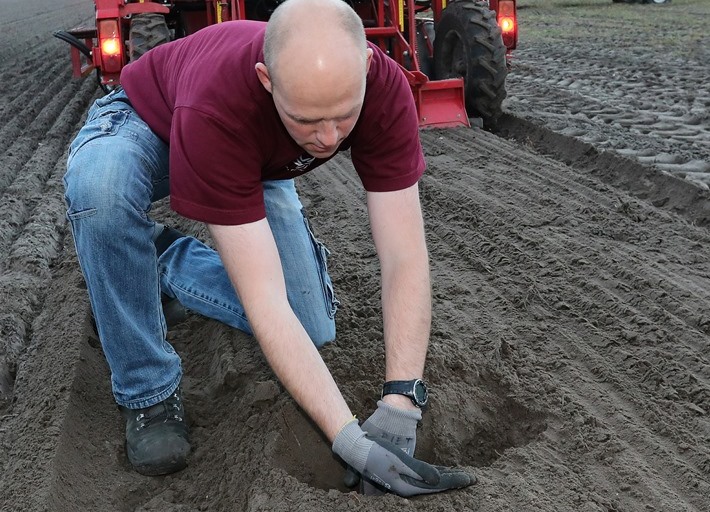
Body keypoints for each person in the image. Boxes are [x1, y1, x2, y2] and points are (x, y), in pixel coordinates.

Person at [63, 0, 474, 497]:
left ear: (366, 67)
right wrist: (351, 442)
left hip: (258, 156)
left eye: (343, 117)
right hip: (152, 124)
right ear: (266, 80)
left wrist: (401, 403)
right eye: (306, 120)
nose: (326, 138)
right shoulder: (219, 104)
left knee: (313, 326)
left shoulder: (384, 89)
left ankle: (158, 259)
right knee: (101, 193)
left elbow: (404, 255)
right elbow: (263, 300)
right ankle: (146, 389)